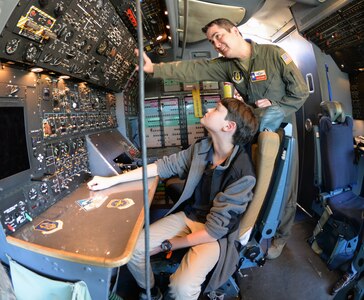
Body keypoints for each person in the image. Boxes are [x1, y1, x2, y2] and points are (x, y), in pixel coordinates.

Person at [135, 18, 309, 260]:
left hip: (281, 133)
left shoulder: (274, 54)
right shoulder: (229, 66)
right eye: (211, 40)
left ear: (235, 31)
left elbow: (300, 92)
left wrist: (276, 108)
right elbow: (197, 69)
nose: (216, 43)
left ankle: (280, 236)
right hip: (249, 132)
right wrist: (154, 69)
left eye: (219, 36)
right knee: (250, 184)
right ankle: (246, 230)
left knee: (283, 186)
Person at [88, 98, 258, 299]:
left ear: (228, 126)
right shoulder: (203, 148)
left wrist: (166, 245)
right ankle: (151, 292)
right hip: (190, 217)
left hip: (214, 235)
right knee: (134, 250)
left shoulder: (243, 174)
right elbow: (164, 166)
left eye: (216, 109)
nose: (208, 108)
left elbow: (213, 232)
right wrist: (111, 181)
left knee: (182, 287)